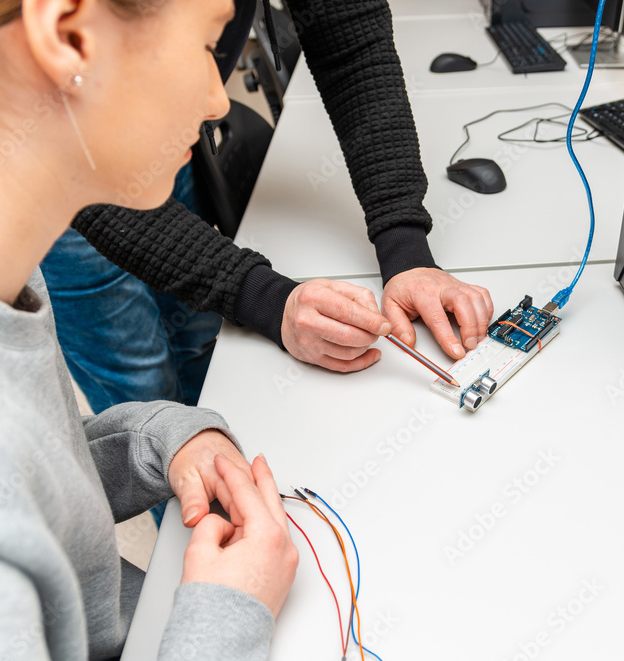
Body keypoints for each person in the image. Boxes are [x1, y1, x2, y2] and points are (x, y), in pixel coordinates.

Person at [0, 0, 297, 661]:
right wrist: (226, 614)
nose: (217, 102)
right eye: (205, 44)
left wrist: (153, 441)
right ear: (69, 34)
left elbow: (21, 486)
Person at [42, 0, 495, 417]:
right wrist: (268, 301)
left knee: (197, 339)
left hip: (155, 132)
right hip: (67, 168)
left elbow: (348, 35)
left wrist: (405, 247)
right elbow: (69, 159)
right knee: (139, 381)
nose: (220, 103)